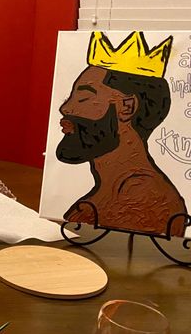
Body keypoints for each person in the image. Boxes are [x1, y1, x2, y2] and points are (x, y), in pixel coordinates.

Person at [57, 31, 186, 237]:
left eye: (83, 99)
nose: (66, 109)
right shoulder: (111, 189)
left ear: (126, 107)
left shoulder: (142, 196)